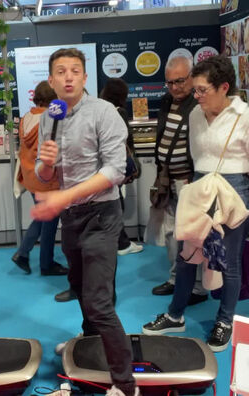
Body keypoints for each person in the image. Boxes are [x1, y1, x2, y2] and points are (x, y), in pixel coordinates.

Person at [142, 55, 249, 351]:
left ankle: (225, 320)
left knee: (229, 261)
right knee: (188, 256)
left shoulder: (246, 117)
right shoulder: (195, 115)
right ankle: (176, 315)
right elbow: (196, 154)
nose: (195, 96)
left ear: (224, 87)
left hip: (235, 188)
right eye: (194, 90)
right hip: (200, 185)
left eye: (201, 90)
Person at [32, 48, 139, 396]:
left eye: (75, 71)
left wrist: (63, 196)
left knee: (99, 300)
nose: (68, 77)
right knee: (79, 284)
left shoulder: (104, 113)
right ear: (51, 80)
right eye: (60, 71)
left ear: (84, 77)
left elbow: (114, 170)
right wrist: (46, 166)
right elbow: (43, 170)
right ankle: (90, 342)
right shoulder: (51, 114)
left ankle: (125, 384)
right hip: (72, 217)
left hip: (101, 214)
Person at [148, 56, 208, 305]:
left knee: (193, 235)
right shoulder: (166, 101)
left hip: (190, 181)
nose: (174, 87)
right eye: (170, 82)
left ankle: (197, 287)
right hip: (167, 179)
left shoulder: (200, 105)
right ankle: (176, 279)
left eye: (180, 81)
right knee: (171, 232)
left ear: (192, 77)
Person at [12, 80, 68, 276]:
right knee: (49, 223)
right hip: (46, 178)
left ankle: (23, 253)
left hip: (29, 176)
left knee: (42, 218)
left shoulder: (26, 117)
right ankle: (46, 264)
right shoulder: (50, 118)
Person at [99, 77, 144, 256]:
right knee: (116, 202)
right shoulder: (119, 112)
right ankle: (121, 243)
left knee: (111, 201)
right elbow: (125, 139)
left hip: (102, 164)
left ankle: (118, 240)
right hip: (116, 163)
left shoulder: (100, 110)